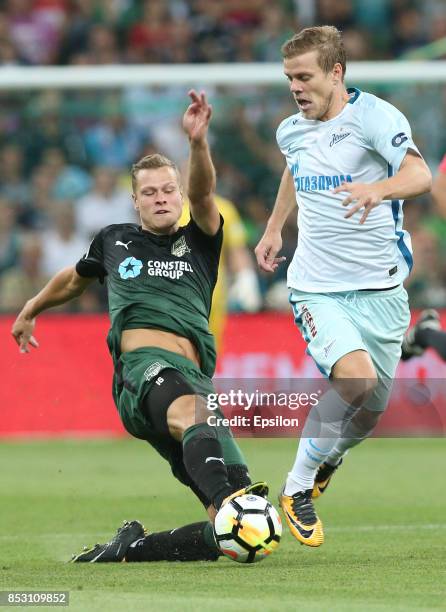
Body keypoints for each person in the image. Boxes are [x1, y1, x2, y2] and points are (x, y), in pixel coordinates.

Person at [12, 90, 267, 563]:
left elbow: (207, 193)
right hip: (143, 371)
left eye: (168, 189)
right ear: (135, 201)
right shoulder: (114, 241)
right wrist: (32, 306)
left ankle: (135, 549)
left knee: (247, 532)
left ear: (180, 194)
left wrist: (197, 143)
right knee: (195, 417)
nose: (161, 198)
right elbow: (73, 279)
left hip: (194, 380)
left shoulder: (202, 240)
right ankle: (224, 504)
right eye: (149, 192)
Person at [255, 26, 432, 547]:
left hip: (381, 290)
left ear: (336, 73)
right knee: (351, 381)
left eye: (305, 76)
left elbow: (420, 175)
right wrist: (272, 228)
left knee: (368, 414)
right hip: (316, 286)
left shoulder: (375, 118)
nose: (296, 87)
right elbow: (294, 169)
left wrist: (378, 188)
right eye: (289, 77)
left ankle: (328, 458)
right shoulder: (291, 128)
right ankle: (296, 487)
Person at [180, 194, 261, 351]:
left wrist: (246, 276)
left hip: (213, 303)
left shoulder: (224, 209)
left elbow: (237, 250)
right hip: (175, 301)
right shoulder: (168, 208)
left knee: (205, 360)